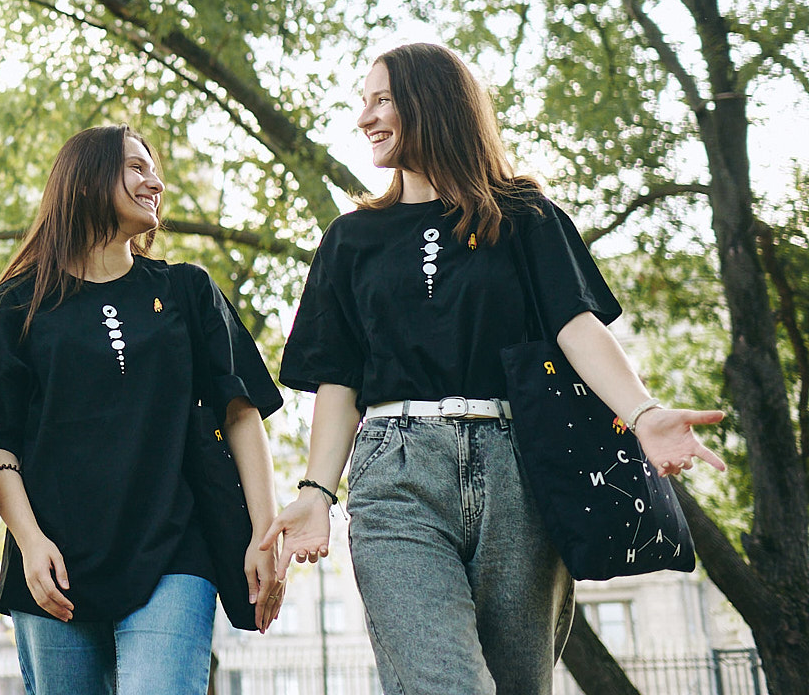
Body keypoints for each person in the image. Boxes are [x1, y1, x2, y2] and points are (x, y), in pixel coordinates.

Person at [262, 42, 726, 695]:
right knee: (447, 685)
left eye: (381, 100)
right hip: (395, 475)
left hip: (519, 474)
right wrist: (316, 492)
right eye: (362, 103)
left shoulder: (525, 217)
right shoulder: (350, 239)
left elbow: (576, 327)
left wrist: (643, 413)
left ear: (432, 103)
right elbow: (339, 379)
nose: (364, 118)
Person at [0, 125, 284, 695]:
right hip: (54, 563)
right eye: (137, 168)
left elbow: (240, 413)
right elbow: (0, 445)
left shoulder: (188, 291)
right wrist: (31, 542)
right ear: (85, 180)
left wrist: (265, 535)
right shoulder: (15, 306)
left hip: (175, 550)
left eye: (153, 169)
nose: (155, 182)